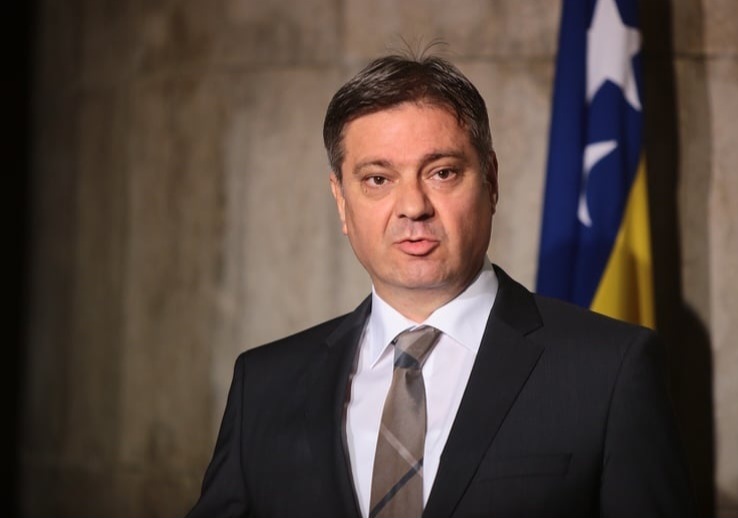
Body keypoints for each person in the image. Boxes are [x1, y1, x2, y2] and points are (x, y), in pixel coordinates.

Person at [186, 50, 696, 518]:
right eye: (378, 179)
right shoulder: (265, 386)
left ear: (491, 181)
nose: (413, 207)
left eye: (442, 172)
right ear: (341, 201)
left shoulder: (609, 371)